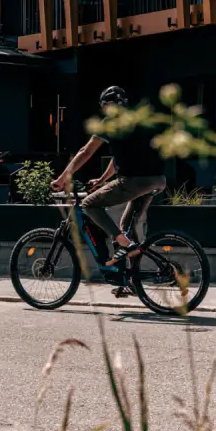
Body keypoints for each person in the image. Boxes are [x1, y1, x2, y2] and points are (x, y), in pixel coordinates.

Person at [51, 86, 166, 297]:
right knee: (126, 229)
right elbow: (120, 156)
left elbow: (86, 152)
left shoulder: (111, 122)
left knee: (88, 205)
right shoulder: (136, 119)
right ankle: (130, 279)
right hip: (157, 180)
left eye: (104, 106)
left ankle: (121, 241)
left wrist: (63, 178)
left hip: (133, 181)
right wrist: (102, 180)